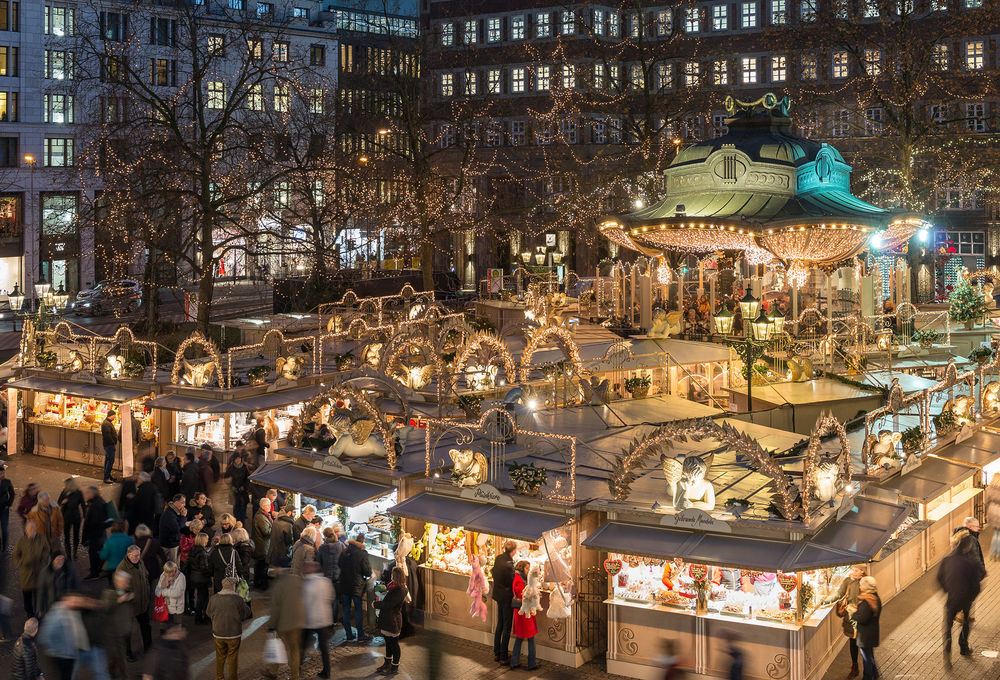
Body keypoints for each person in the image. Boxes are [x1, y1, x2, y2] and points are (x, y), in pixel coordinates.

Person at [939, 528, 987, 666]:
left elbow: (939, 578)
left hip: (951, 599)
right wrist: (971, 596)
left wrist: (947, 590)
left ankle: (947, 652)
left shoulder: (946, 560)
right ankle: (964, 647)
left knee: (947, 626)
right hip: (966, 600)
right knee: (966, 623)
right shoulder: (970, 563)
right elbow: (977, 584)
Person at [824, 564, 866, 678]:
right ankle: (855, 666)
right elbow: (839, 594)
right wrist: (826, 601)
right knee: (853, 643)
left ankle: (869, 669)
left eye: (856, 570)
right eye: (853, 569)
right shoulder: (848, 581)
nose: (853, 571)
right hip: (851, 618)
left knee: (863, 644)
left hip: (863, 618)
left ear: (862, 572)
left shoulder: (866, 583)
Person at [264, 568, 305, 680]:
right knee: (294, 650)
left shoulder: (279, 584)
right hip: (297, 622)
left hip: (283, 623)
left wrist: (272, 626)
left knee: (276, 646)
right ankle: (295, 676)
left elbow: (275, 608)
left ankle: (273, 671)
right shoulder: (299, 581)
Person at [206, 577, 250, 680]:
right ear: (232, 586)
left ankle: (219, 677)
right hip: (234, 633)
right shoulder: (238, 599)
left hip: (218, 633)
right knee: (233, 657)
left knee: (220, 657)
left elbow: (208, 612)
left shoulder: (214, 598)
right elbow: (246, 614)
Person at [117, 544, 152, 659]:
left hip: (142, 603)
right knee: (128, 631)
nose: (138, 558)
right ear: (128, 555)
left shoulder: (140, 562)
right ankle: (128, 653)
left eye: (139, 555)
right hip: (130, 606)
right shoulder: (122, 568)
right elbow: (119, 588)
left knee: (146, 626)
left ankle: (148, 647)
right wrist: (127, 597)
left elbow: (145, 575)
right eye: (135, 556)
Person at [301, 561, 334, 679]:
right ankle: (327, 671)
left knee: (303, 645)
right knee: (324, 647)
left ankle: (297, 667)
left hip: (310, 619)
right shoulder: (326, 582)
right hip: (324, 619)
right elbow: (331, 597)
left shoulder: (307, 584)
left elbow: (304, 602)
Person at [373, 566, 409, 676]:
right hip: (388, 620)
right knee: (388, 643)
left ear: (396, 576)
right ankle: (387, 663)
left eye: (393, 575)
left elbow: (388, 604)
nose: (391, 577)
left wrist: (375, 604)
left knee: (394, 645)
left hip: (393, 621)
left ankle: (394, 667)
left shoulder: (399, 590)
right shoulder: (393, 586)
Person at [338, 531, 372, 643]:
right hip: (357, 586)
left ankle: (349, 634)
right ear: (363, 541)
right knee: (358, 610)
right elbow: (367, 572)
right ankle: (360, 635)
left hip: (344, 584)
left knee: (346, 610)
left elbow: (339, 564)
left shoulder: (345, 551)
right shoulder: (362, 554)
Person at [14, 519, 50, 618]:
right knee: (27, 597)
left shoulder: (42, 538)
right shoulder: (21, 542)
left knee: (39, 595)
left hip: (39, 573)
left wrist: (43, 561)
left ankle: (39, 612)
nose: (31, 531)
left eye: (33, 528)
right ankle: (29, 613)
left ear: (36, 529)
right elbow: (15, 556)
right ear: (26, 530)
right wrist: (23, 562)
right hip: (26, 575)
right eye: (29, 529)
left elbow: (46, 550)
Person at [103, 571, 135, 680]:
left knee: (116, 659)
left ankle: (112, 675)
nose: (127, 584)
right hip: (113, 633)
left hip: (123, 631)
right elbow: (105, 609)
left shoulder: (127, 591)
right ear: (117, 581)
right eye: (125, 582)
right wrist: (119, 600)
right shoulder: (109, 593)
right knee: (119, 659)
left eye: (127, 582)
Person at [848, 576, 881, 680]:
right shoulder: (874, 597)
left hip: (866, 635)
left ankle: (868, 677)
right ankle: (875, 675)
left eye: (861, 585)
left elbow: (863, 618)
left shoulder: (867, 601)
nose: (860, 587)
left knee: (866, 658)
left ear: (866, 587)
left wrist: (852, 613)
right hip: (871, 633)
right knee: (869, 655)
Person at [510, 561, 539, 671]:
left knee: (520, 638)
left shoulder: (518, 577)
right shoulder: (520, 580)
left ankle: (514, 662)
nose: (528, 570)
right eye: (527, 568)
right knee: (530, 638)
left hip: (521, 614)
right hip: (524, 614)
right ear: (522, 568)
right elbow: (522, 595)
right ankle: (531, 664)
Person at [491, 540, 516, 663]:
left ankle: (497, 652)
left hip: (498, 595)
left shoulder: (498, 558)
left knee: (499, 624)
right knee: (506, 626)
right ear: (514, 551)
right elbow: (512, 580)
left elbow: (493, 572)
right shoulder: (509, 564)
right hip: (506, 597)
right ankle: (504, 656)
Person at [36, 552, 80, 618]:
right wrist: (40, 609)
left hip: (67, 605)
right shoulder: (45, 572)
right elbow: (41, 592)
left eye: (62, 559)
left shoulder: (69, 570)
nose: (60, 561)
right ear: (52, 561)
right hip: (52, 606)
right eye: (58, 559)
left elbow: (76, 586)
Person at [82, 487, 109, 579]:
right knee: (98, 552)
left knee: (94, 553)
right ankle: (99, 568)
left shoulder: (96, 505)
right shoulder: (98, 501)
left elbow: (94, 522)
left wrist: (89, 534)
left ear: (92, 494)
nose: (86, 494)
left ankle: (95, 573)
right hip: (99, 533)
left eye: (87, 493)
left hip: (96, 535)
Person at [187, 532, 212, 624]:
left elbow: (187, 564)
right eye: (206, 539)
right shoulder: (202, 552)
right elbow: (204, 568)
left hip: (194, 577)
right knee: (204, 598)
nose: (207, 541)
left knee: (200, 597)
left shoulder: (193, 549)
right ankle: (203, 617)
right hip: (202, 578)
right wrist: (211, 573)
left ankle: (199, 617)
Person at [57, 478, 84, 560]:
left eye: (66, 485)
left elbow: (83, 504)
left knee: (76, 536)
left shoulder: (78, 493)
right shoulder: (64, 492)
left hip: (76, 518)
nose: (65, 486)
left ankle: (74, 553)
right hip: (66, 517)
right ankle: (68, 555)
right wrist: (63, 502)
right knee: (67, 536)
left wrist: (85, 515)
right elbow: (59, 502)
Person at [155, 561, 186, 629]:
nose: (171, 574)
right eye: (169, 572)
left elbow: (177, 593)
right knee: (164, 629)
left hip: (176, 609)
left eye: (173, 571)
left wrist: (163, 592)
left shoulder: (181, 577)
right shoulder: (163, 575)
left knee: (175, 631)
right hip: (164, 608)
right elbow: (157, 591)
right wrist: (162, 592)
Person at [159, 494, 187, 564]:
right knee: (172, 566)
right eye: (182, 502)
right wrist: (183, 517)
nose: (184, 505)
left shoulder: (175, 512)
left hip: (174, 542)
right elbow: (177, 529)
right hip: (170, 545)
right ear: (176, 502)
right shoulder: (169, 514)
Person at [317, 526, 342, 601]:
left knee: (326, 598)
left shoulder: (322, 547)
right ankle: (335, 612)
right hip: (337, 575)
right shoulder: (339, 545)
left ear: (325, 536)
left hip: (326, 576)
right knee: (335, 598)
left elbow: (318, 561)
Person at [252, 498, 272, 589]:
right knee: (262, 566)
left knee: (261, 565)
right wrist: (274, 527)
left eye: (269, 505)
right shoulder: (260, 517)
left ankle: (259, 582)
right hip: (262, 546)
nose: (269, 507)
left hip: (263, 545)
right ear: (262, 506)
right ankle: (260, 584)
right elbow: (266, 531)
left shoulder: (264, 515)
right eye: (267, 505)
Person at [268, 504, 295, 570]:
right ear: (289, 512)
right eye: (294, 512)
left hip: (274, 552)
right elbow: (289, 541)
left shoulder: (277, 520)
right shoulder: (288, 524)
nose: (295, 514)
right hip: (283, 553)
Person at [225, 456, 251, 526]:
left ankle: (242, 526)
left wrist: (244, 486)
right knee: (236, 510)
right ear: (234, 459)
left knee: (243, 510)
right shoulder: (230, 468)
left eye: (239, 458)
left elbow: (248, 479)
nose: (238, 460)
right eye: (236, 458)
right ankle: (236, 525)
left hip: (243, 493)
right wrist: (231, 486)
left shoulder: (245, 468)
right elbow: (226, 479)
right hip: (234, 493)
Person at [0, 462, 14, 552]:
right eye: (0, 473)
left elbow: (12, 494)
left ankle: (4, 546)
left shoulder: (7, 482)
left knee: (4, 529)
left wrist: (8, 504)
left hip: (4, 509)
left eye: (2, 473)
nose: (2, 475)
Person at [987, 474, 1000, 560]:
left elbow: (987, 501)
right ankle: (997, 554)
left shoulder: (989, 488)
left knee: (995, 532)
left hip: (991, 510)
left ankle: (992, 554)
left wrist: (986, 513)